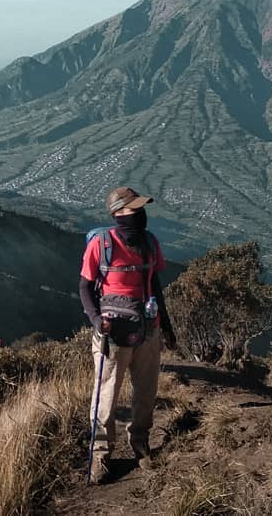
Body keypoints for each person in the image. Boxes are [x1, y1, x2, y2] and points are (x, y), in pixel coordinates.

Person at [79, 186, 177, 483]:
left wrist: (168, 327)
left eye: (140, 208)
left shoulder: (149, 241)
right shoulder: (102, 244)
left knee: (146, 392)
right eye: (134, 208)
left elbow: (154, 282)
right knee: (106, 396)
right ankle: (100, 456)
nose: (140, 213)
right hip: (112, 334)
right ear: (118, 213)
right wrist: (96, 320)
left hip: (148, 328)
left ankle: (140, 444)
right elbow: (85, 286)